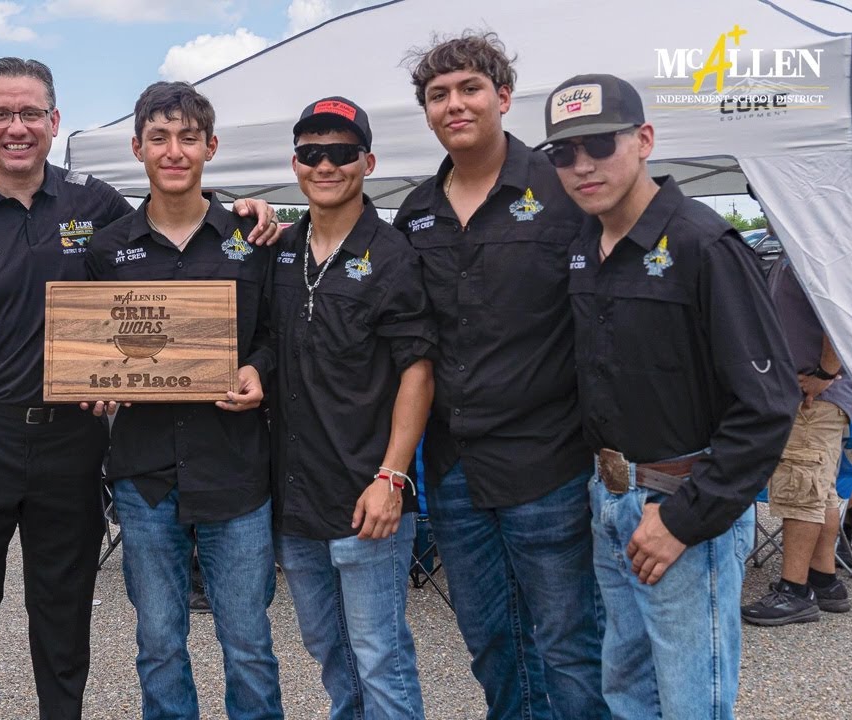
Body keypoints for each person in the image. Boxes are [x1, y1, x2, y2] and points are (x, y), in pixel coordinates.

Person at [0, 59, 278, 720]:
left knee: (63, 610)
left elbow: (171, 233)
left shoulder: (93, 203)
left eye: (31, 113)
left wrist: (248, 209)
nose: (17, 127)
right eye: (2, 114)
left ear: (53, 121)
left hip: (71, 436)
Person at [538, 72, 800, 718]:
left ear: (645, 139)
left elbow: (768, 404)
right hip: (611, 503)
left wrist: (684, 518)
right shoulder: (583, 246)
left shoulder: (701, 243)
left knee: (692, 705)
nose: (581, 165)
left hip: (684, 512)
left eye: (599, 143)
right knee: (627, 693)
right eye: (563, 153)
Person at [394, 33, 607, 719]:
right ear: (427, 112)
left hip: (549, 461)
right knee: (489, 640)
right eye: (438, 95)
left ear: (503, 97)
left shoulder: (563, 190)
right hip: (455, 468)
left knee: (571, 642)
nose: (453, 104)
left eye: (468, 88)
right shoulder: (416, 211)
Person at [83, 80, 282, 720]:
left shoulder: (251, 239)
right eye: (160, 138)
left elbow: (278, 336)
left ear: (211, 147)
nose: (175, 151)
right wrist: (93, 384)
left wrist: (257, 370)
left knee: (248, 645)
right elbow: (89, 347)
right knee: (159, 644)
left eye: (188, 139)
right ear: (138, 147)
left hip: (235, 472)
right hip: (144, 480)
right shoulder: (107, 249)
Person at [271, 96, 435, 719]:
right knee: (330, 653)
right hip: (297, 498)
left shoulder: (393, 255)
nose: (326, 165)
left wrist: (392, 477)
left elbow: (417, 371)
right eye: (313, 154)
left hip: (368, 497)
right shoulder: (280, 250)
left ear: (367, 160)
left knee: (380, 656)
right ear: (295, 163)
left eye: (341, 153)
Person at [741, 227, 852, 624]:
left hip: (813, 396)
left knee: (801, 490)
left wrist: (825, 372)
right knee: (819, 490)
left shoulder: (815, 252)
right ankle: (824, 579)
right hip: (814, 395)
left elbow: (836, 315)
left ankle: (794, 590)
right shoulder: (801, 251)